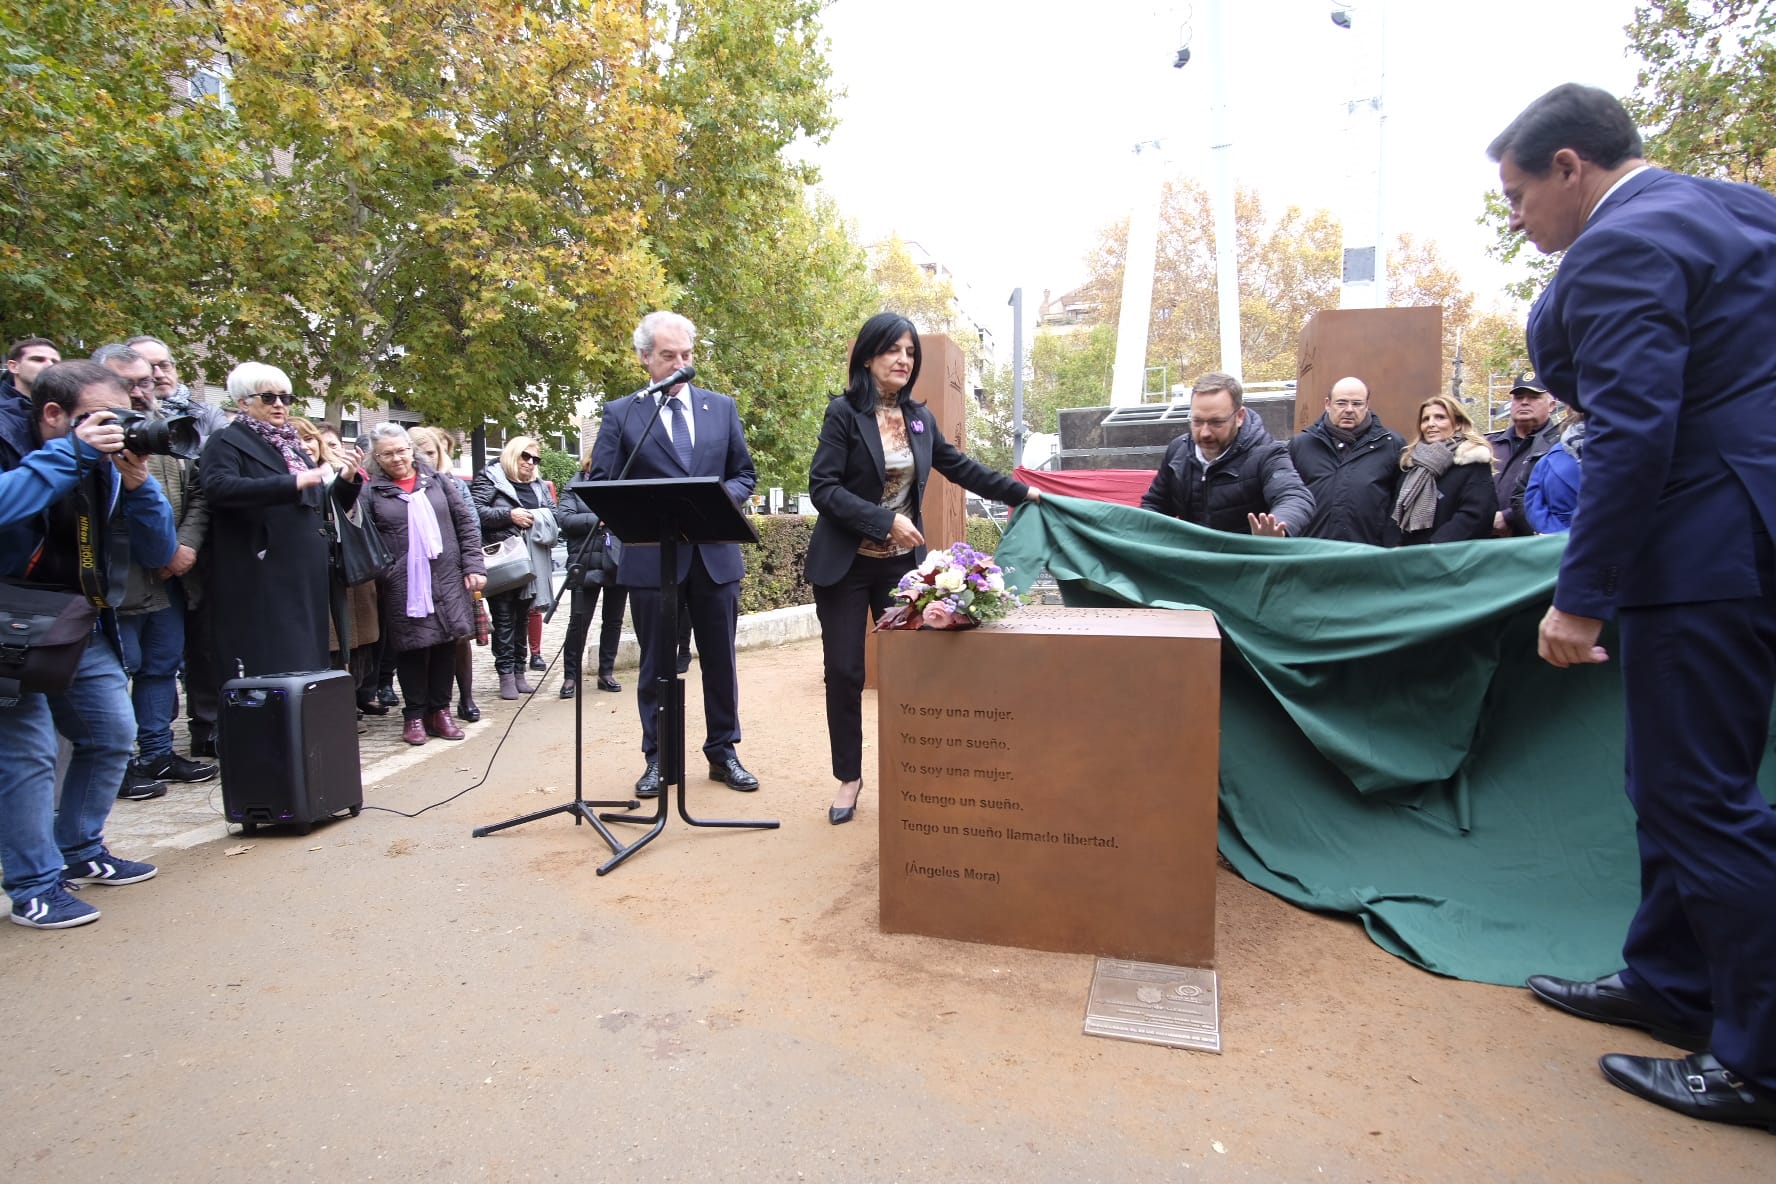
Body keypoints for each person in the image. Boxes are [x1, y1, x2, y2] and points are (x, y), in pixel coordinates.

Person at [1493, 82, 1776, 1130]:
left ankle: (1759, 1058)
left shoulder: (1618, 243)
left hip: (1701, 550)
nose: (1518, 218)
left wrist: (1583, 596)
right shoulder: (1744, 210)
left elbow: (1635, 427)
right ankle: (1672, 978)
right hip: (1754, 534)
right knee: (1692, 782)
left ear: (1571, 166)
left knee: (1696, 795)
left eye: (1520, 194)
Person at [807, 313, 1039, 824]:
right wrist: (883, 520)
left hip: (900, 571)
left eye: (910, 352)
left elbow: (962, 467)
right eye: (892, 349)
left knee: (916, 674)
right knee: (845, 673)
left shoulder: (919, 418)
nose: (902, 360)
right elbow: (823, 489)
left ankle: (919, 769)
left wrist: (1024, 492)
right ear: (868, 356)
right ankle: (849, 777)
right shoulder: (843, 415)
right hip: (845, 568)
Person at [0, 360, 176, 928]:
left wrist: (139, 482)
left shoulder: (104, 462)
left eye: (123, 417)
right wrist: (71, 453)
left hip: (74, 618)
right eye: (102, 419)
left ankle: (81, 850)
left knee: (111, 734)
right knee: (28, 753)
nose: (116, 430)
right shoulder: (14, 438)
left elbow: (159, 551)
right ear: (54, 414)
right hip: (9, 618)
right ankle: (34, 885)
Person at [587, 310, 759, 798]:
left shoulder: (720, 408)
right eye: (669, 356)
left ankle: (723, 753)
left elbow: (744, 474)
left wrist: (718, 501)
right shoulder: (623, 413)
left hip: (714, 556)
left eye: (687, 355)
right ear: (645, 358)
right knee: (656, 663)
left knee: (721, 661)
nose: (681, 364)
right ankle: (658, 757)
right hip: (650, 559)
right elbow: (602, 484)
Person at [93, 344, 216, 799]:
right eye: (130, 384)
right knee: (115, 673)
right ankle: (117, 763)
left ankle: (157, 753)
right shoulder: (91, 436)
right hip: (115, 580)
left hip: (169, 577)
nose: (143, 390)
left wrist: (184, 546)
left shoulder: (166, 430)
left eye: (147, 380)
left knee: (161, 668)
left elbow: (199, 493)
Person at [201, 363, 364, 681]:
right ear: (243, 402)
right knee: (275, 662)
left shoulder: (289, 445)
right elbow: (219, 488)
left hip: (305, 572)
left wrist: (346, 480)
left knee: (307, 664)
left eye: (285, 398)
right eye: (269, 397)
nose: (279, 405)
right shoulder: (226, 441)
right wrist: (291, 483)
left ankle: (301, 726)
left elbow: (320, 504)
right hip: (263, 572)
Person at [363, 424, 485, 745]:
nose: (397, 458)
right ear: (377, 457)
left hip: (446, 574)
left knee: (446, 642)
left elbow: (466, 525)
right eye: (387, 453)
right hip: (402, 582)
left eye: (402, 450)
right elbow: (364, 539)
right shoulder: (372, 492)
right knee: (412, 647)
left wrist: (473, 565)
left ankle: (440, 712)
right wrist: (384, 572)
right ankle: (415, 714)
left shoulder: (438, 482)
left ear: (410, 449)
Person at [1139, 372, 1314, 537]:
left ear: (1239, 416)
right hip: (1193, 562)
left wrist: (1279, 526)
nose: (1205, 432)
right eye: (1197, 421)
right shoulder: (1178, 450)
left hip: (1246, 563)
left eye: (1217, 422)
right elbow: (1155, 505)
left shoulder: (1267, 454)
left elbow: (1295, 497)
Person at [294, 417, 384, 717]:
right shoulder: (291, 477)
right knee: (328, 644)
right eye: (300, 439)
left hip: (350, 568)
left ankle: (353, 698)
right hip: (315, 573)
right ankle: (333, 707)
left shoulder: (339, 475)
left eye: (310, 438)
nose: (306, 445)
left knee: (357, 644)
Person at [470, 436, 556, 700]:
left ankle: (519, 671)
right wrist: (509, 515)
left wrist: (539, 517)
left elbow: (552, 512)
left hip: (532, 561)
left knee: (523, 618)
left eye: (535, 459)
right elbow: (474, 510)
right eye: (525, 456)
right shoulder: (491, 478)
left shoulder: (539, 486)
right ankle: (505, 674)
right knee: (505, 619)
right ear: (512, 454)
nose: (530, 463)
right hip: (503, 559)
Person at [409, 426, 482, 721]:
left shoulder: (453, 484)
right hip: (416, 575)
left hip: (452, 572)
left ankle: (465, 698)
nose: (426, 458)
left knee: (459, 638)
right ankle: (427, 706)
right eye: (420, 452)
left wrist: (471, 565)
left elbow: (470, 525)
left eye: (431, 452)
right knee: (423, 641)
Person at [1288, 376, 1404, 545]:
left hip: (1368, 553)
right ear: (1328, 404)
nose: (1349, 410)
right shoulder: (1301, 445)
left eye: (1357, 404)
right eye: (1341, 403)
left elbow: (1399, 503)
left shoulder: (1391, 445)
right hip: (1312, 553)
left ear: (1366, 405)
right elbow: (1288, 497)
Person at [556, 443, 627, 698]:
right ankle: (569, 677)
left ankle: (606, 672)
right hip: (584, 563)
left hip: (616, 561)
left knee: (613, 621)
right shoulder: (574, 486)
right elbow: (564, 520)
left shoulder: (621, 483)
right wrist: (599, 520)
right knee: (579, 621)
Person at [1388, 395, 1497, 546]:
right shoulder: (1410, 463)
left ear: (1458, 423)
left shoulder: (1473, 462)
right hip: (1406, 557)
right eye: (1425, 419)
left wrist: (1435, 547)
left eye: (1440, 417)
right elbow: (1395, 512)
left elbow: (1476, 514)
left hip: (1449, 557)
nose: (1431, 424)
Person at [1487, 371, 1562, 537]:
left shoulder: (1561, 445)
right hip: (1483, 542)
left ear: (1551, 406)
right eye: (1518, 397)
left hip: (1532, 542)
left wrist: (1509, 517)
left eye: (1534, 397)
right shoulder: (1489, 443)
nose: (1524, 402)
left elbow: (1558, 496)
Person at [1522, 409, 1585, 534]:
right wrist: (1560, 536)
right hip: (1559, 543)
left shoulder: (1628, 449)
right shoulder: (1549, 458)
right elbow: (1534, 506)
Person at [1, 337, 61, 408]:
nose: (50, 365)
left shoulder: (69, 405)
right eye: (38, 359)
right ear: (14, 367)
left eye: (55, 362)